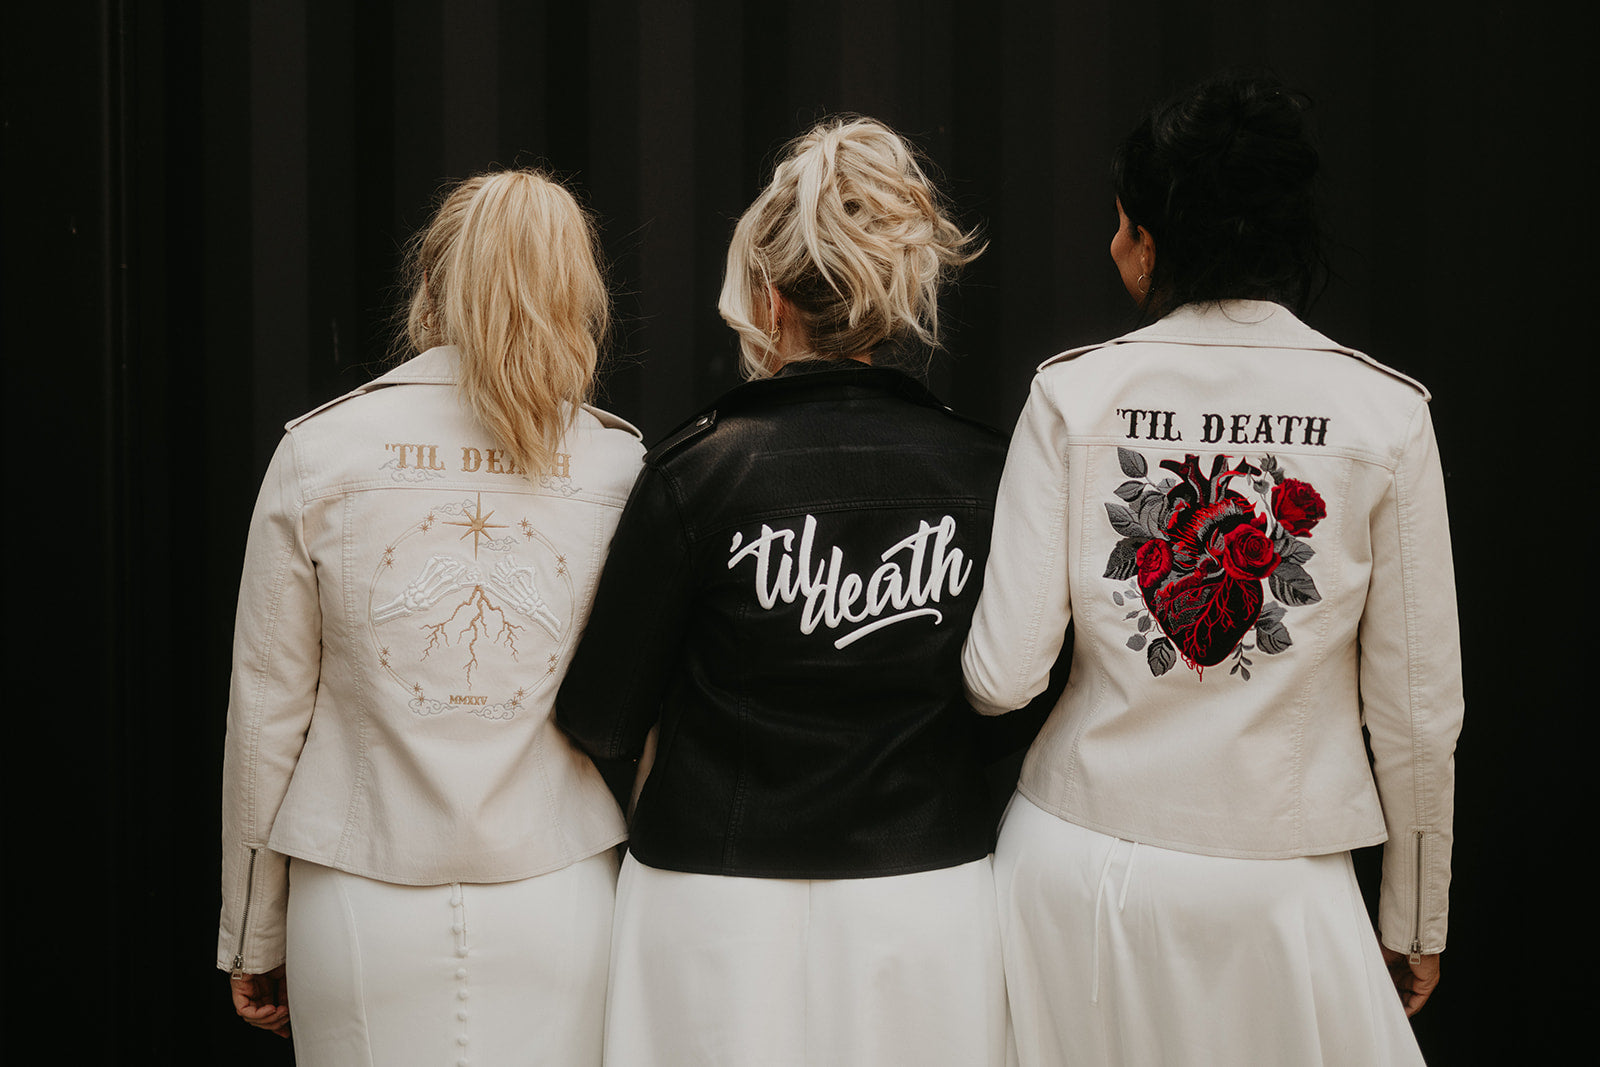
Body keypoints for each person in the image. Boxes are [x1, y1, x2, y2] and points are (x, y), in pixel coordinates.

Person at [961, 72, 1464, 1065]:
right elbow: (1416, 710)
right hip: (1277, 885)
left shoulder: (1073, 395)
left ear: (1151, 238)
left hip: (1074, 865)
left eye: (1120, 223)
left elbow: (1001, 676)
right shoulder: (1384, 414)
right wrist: (1415, 912)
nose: (1113, 245)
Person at [555, 117, 1014, 1066]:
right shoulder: (985, 470)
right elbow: (1019, 695)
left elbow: (600, 715)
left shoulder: (697, 470)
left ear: (769, 299)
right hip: (923, 899)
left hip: (713, 910)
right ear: (888, 308)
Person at [216, 169, 644, 1065]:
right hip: (560, 894)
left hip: (360, 899)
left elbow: (267, 716)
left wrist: (253, 932)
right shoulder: (618, 466)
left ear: (430, 284)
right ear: (579, 292)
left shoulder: (321, 450)